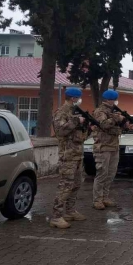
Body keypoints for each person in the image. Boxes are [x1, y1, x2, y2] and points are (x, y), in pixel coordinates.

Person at [49, 88, 88, 229]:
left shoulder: (74, 112)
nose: (79, 100)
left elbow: (79, 137)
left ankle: (70, 211)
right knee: (65, 186)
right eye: (79, 98)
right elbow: (60, 131)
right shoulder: (62, 112)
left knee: (76, 184)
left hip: (78, 155)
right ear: (73, 98)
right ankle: (56, 216)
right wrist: (77, 121)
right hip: (68, 156)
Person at [92, 89, 127, 210]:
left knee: (111, 174)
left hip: (113, 146)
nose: (115, 101)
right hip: (103, 147)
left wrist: (124, 122)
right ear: (108, 100)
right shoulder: (100, 111)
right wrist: (116, 119)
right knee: (102, 173)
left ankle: (105, 197)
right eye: (114, 99)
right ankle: (97, 199)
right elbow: (104, 125)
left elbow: (116, 128)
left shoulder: (114, 111)